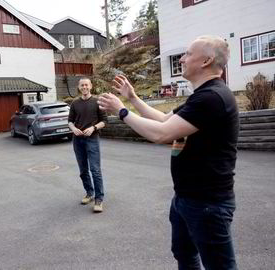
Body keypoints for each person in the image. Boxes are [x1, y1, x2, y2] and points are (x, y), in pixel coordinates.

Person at [98, 36, 239, 269]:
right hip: (186, 198)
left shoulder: (213, 97)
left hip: (208, 204)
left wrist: (122, 111)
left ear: (206, 60)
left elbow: (162, 133)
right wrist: (132, 98)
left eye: (188, 54)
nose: (182, 59)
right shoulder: (201, 96)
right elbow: (165, 119)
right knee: (184, 254)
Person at [68, 78, 108, 213]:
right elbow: (70, 121)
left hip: (92, 139)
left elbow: (104, 121)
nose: (84, 87)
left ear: (90, 86)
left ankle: (99, 199)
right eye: (82, 85)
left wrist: (93, 128)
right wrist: (73, 129)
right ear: (79, 87)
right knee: (83, 170)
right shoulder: (75, 103)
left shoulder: (97, 101)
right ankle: (89, 193)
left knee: (95, 170)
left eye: (86, 85)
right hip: (77, 140)